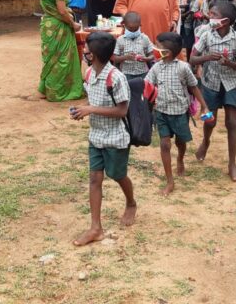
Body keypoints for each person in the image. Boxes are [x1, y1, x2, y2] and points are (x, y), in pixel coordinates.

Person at [70, 32, 137, 246]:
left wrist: (90, 109)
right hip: (95, 136)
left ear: (95, 54)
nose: (85, 51)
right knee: (94, 179)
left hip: (115, 137)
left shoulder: (116, 78)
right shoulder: (89, 74)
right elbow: (94, 101)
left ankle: (131, 202)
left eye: (87, 49)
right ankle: (95, 227)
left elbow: (122, 111)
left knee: (117, 174)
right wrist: (83, 111)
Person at [190, 1, 236, 182]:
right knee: (210, 119)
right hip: (210, 83)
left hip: (230, 84)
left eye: (214, 14)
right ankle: (206, 141)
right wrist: (207, 58)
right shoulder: (207, 35)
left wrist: (230, 63)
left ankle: (232, 163)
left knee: (232, 122)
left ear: (225, 21)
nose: (210, 16)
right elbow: (193, 58)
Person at [146, 32, 208, 195]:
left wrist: (204, 106)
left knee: (181, 142)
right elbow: (147, 85)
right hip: (161, 111)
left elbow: (194, 87)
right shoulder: (156, 67)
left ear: (168, 51)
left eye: (157, 46)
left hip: (180, 112)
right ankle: (169, 181)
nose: (155, 49)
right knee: (165, 144)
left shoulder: (183, 67)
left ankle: (180, 158)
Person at [38, 0, 84, 101]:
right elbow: (62, 12)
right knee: (62, 59)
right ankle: (56, 91)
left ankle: (44, 89)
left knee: (51, 58)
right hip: (59, 27)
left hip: (48, 26)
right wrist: (73, 24)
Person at [112, 12, 154, 80]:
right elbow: (115, 59)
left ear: (140, 25)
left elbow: (152, 55)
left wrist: (146, 59)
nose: (133, 32)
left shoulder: (145, 38)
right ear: (124, 25)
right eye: (130, 30)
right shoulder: (120, 40)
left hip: (143, 73)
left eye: (136, 29)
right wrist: (125, 57)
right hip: (126, 74)